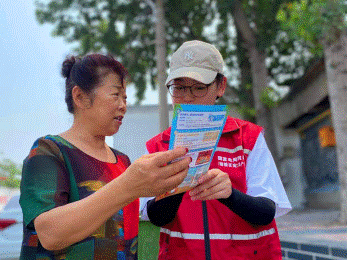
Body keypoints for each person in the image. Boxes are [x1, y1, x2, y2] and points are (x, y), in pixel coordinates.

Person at [19, 53, 191, 260]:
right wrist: (128, 186)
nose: (123, 105)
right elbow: (49, 233)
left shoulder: (123, 161)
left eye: (125, 98)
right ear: (80, 97)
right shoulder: (49, 151)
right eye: (115, 95)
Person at [140, 40, 292, 260]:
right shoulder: (159, 146)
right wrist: (176, 184)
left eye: (199, 87)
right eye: (180, 87)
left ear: (221, 86)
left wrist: (230, 195)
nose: (188, 97)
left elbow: (267, 211)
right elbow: (155, 216)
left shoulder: (247, 138)